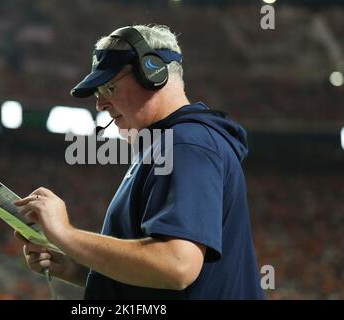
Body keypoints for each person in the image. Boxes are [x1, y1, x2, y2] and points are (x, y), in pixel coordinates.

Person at [14, 24, 264, 299]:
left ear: (153, 74)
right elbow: (159, 279)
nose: (100, 105)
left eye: (109, 87)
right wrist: (75, 268)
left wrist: (66, 235)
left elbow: (177, 266)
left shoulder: (186, 143)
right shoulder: (169, 142)